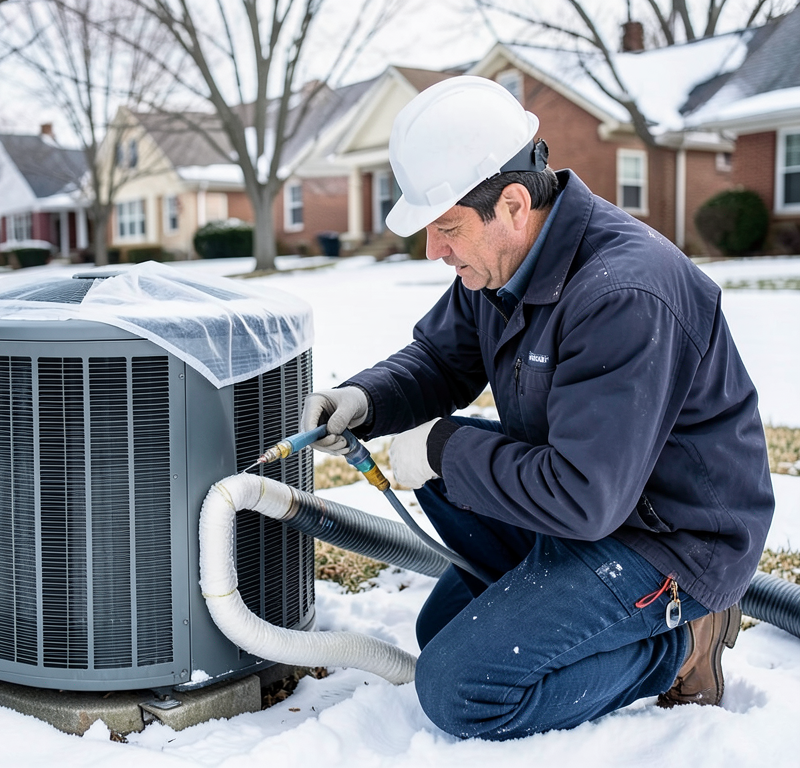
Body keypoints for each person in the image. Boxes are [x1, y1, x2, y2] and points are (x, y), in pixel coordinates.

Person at [301, 76, 775, 741]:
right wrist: (364, 399)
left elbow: (584, 496)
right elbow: (441, 359)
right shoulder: (499, 263)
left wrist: (441, 450)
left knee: (462, 688)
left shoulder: (623, 294)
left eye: (445, 228)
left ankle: (679, 649)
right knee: (439, 630)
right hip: (591, 509)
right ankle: (579, 612)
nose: (433, 250)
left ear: (515, 204)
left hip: (668, 539)